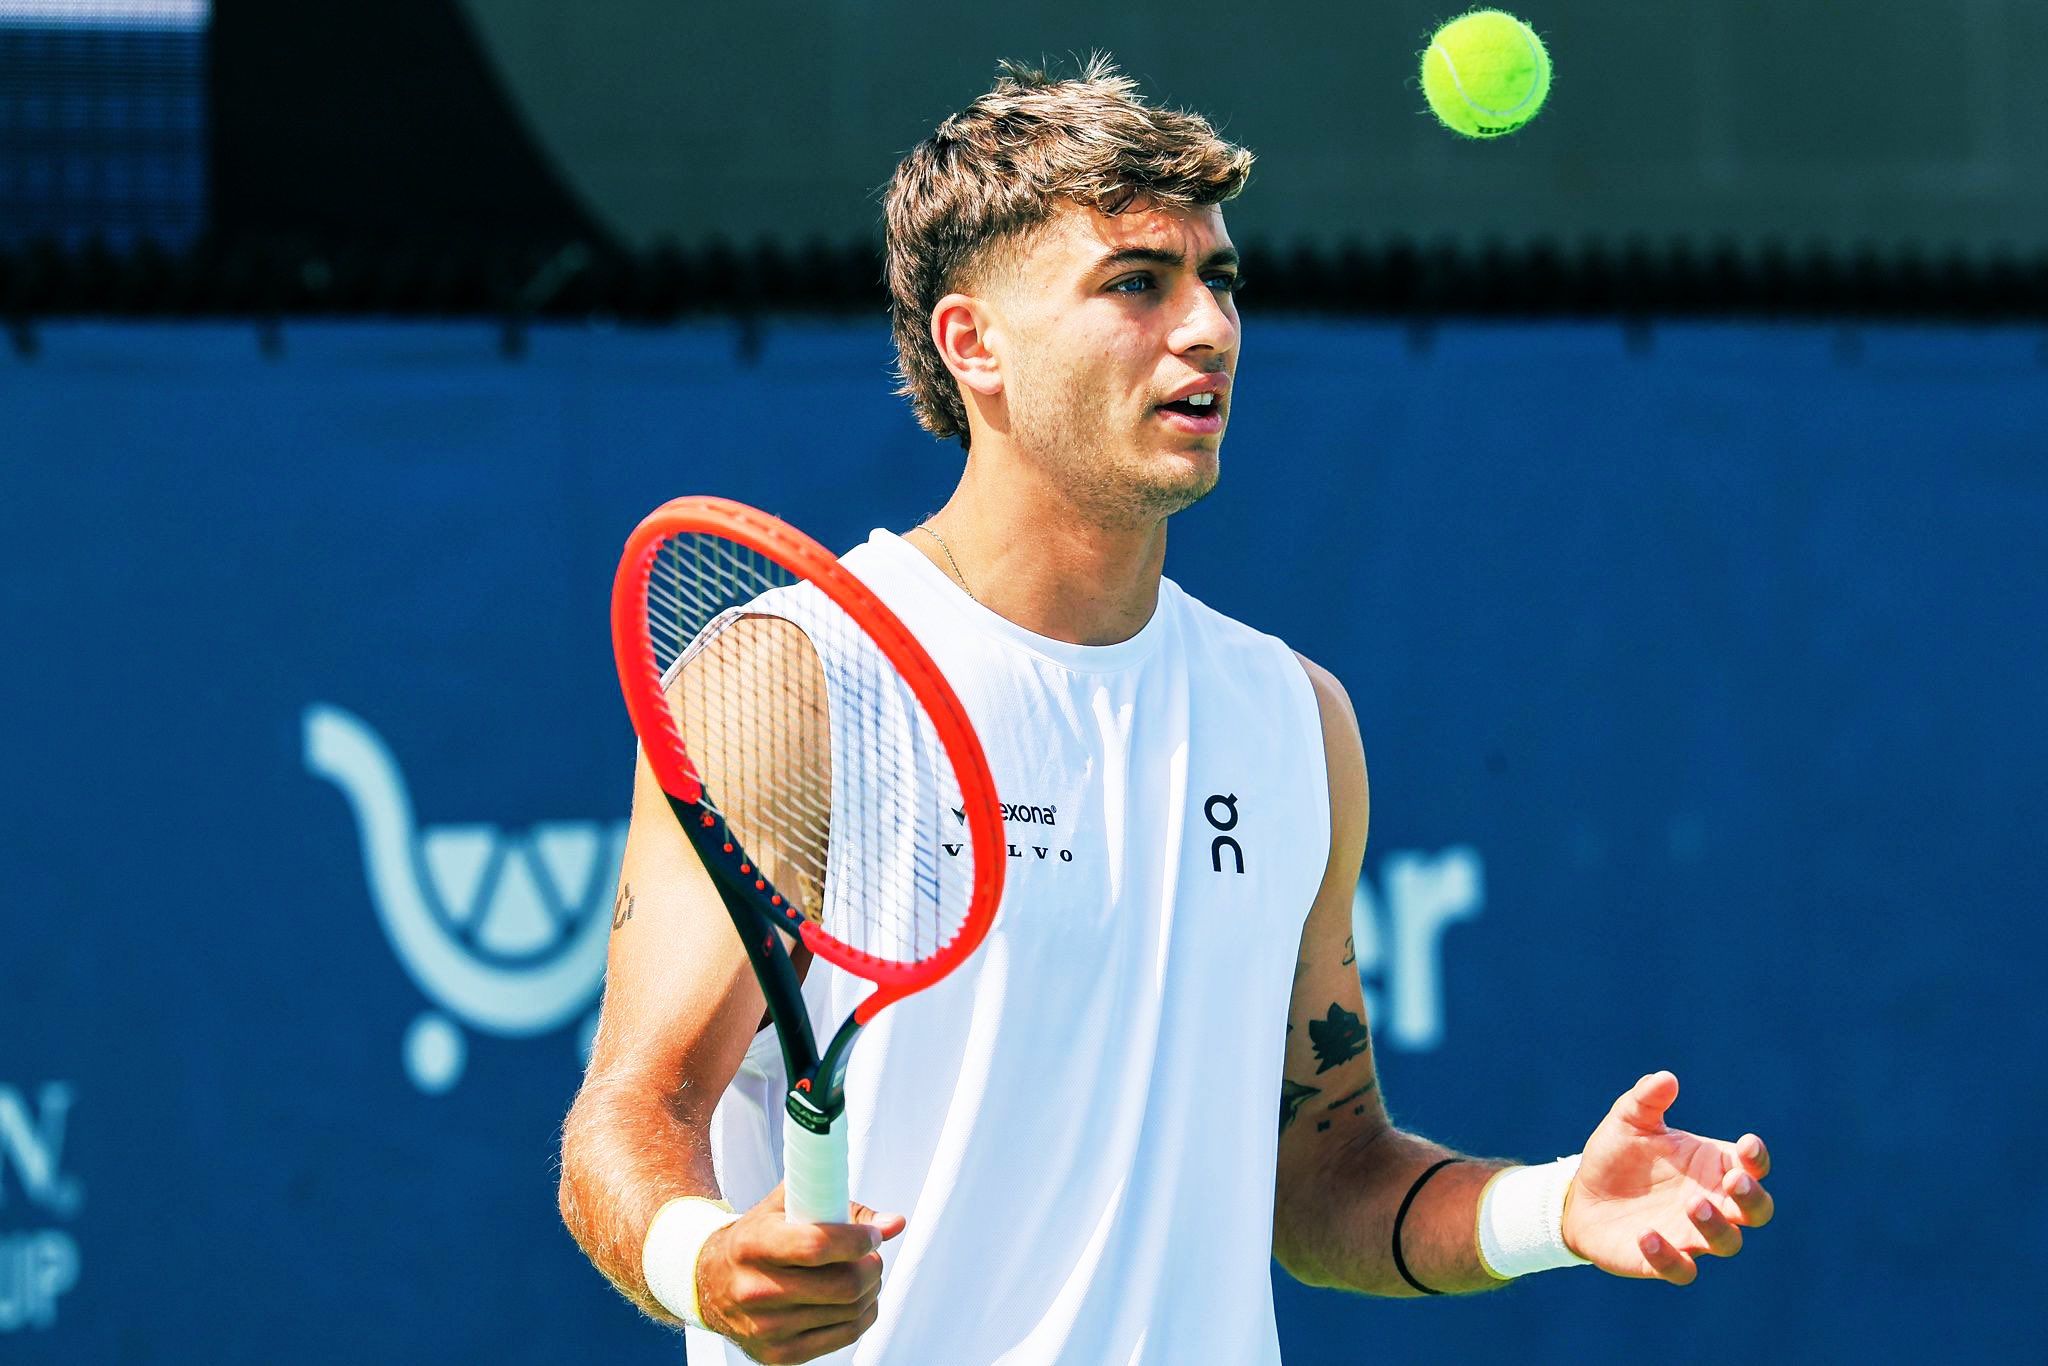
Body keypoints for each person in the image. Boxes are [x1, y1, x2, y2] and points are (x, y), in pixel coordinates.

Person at [558, 57, 1775, 1365]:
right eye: (1137, 282)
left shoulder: (1295, 721)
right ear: (974, 344)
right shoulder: (794, 682)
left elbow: (1325, 1176)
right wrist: (704, 1260)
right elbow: (631, 1116)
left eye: (1221, 280)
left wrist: (1557, 1208)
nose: (1208, 328)